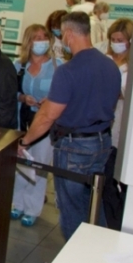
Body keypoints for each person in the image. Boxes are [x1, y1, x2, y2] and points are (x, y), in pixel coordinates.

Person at [18, 12, 120, 241]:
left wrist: (24, 141)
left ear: (70, 34)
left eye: (63, 34)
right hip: (103, 141)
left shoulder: (68, 70)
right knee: (94, 201)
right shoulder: (109, 65)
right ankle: (99, 250)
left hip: (74, 146)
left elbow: (46, 117)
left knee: (71, 207)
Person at [11, 25, 62, 227]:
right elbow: (11, 92)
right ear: (28, 41)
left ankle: (32, 208)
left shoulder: (58, 67)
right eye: (35, 38)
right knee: (20, 162)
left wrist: (49, 101)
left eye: (43, 37)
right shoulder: (19, 66)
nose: (40, 41)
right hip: (23, 120)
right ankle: (17, 204)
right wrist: (23, 97)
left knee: (39, 165)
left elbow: (63, 95)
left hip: (45, 125)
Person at [102, 18, 132, 230]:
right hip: (105, 129)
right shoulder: (105, 59)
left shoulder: (129, 65)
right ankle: (108, 222)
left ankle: (120, 223)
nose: (116, 43)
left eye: (120, 40)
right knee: (106, 182)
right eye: (113, 39)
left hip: (124, 129)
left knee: (120, 182)